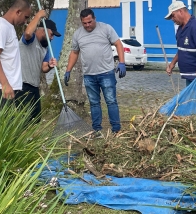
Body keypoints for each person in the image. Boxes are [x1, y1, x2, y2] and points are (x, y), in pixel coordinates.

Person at [64, 8, 126, 138]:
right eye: (84, 23)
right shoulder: (78, 34)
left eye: (89, 22)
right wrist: (68, 70)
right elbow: (74, 53)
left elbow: (118, 44)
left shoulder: (106, 29)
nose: (87, 25)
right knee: (94, 103)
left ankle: (116, 129)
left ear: (94, 18)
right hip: (89, 75)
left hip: (106, 73)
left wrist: (121, 62)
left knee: (111, 101)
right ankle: (96, 130)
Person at [0, 0, 33, 108]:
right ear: (18, 12)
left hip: (7, 86)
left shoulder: (9, 27)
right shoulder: (1, 27)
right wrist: (5, 84)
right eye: (26, 17)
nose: (26, 22)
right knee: (4, 123)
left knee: (7, 123)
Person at [15, 15, 61, 123]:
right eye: (51, 34)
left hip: (34, 86)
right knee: (24, 118)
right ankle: (20, 138)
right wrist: (39, 15)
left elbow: (43, 68)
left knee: (35, 118)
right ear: (43, 31)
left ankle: (30, 139)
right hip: (22, 85)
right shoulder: (30, 40)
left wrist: (50, 65)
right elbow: (27, 33)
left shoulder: (45, 48)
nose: (52, 38)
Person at [165, 1, 196, 86]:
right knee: (191, 99)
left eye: (173, 16)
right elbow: (182, 50)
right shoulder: (180, 29)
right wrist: (172, 64)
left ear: (180, 11)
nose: (172, 19)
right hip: (190, 76)